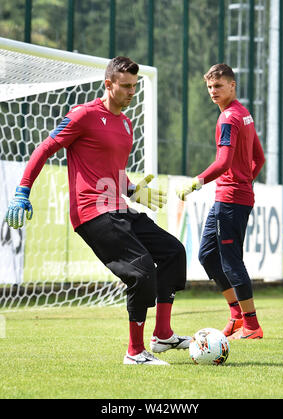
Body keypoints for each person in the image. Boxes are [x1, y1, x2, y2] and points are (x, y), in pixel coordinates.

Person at [6, 56, 191, 364]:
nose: (132, 92)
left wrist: (134, 191)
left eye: (134, 86)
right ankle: (135, 352)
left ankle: (162, 335)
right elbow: (44, 149)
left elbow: (115, 172)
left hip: (119, 208)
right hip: (92, 212)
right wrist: (22, 191)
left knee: (174, 252)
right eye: (126, 86)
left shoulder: (126, 123)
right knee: (142, 270)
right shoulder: (83, 115)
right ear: (109, 84)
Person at [176, 63, 265, 340]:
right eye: (210, 87)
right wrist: (244, 181)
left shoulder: (229, 118)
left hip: (231, 199)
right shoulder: (243, 114)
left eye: (219, 86)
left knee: (230, 262)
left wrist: (197, 181)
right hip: (230, 197)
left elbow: (223, 162)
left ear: (232, 86)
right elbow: (258, 159)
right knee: (206, 256)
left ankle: (252, 325)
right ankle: (237, 316)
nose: (213, 91)